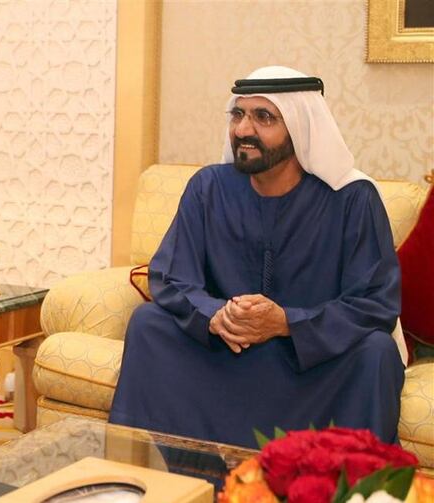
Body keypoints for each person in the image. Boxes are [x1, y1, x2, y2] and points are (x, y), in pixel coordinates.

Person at [109, 65, 406, 449]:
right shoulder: (209, 187)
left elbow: (375, 303)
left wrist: (286, 322)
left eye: (263, 117)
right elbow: (169, 275)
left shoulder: (352, 198)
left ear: (300, 127)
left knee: (375, 352)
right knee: (149, 323)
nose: (243, 130)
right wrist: (214, 315)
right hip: (228, 349)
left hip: (310, 358)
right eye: (239, 114)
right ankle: (165, 477)